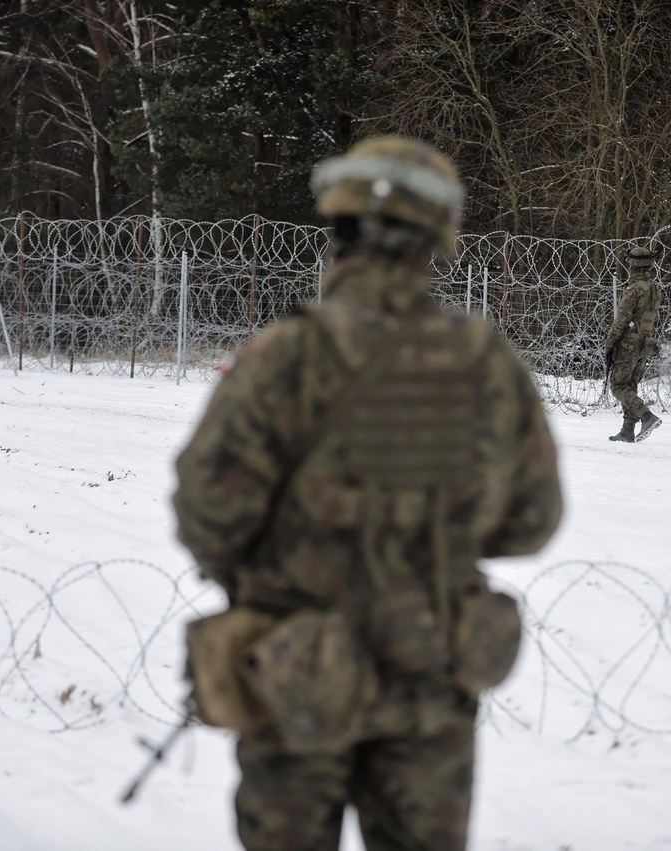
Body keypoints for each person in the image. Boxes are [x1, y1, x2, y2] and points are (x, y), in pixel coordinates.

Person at [172, 135, 563, 851]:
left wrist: (271, 569)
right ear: (436, 242)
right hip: (432, 673)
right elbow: (534, 518)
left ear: (340, 229)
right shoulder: (486, 363)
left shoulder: (288, 354)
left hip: (296, 672)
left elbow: (208, 507)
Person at [603, 243, 664, 442]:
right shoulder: (655, 290)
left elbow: (621, 321)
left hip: (628, 344)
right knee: (630, 385)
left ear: (631, 265)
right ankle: (627, 430)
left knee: (618, 386)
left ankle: (646, 416)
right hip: (645, 344)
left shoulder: (633, 290)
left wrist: (609, 344)